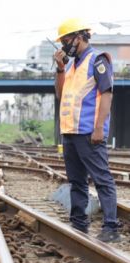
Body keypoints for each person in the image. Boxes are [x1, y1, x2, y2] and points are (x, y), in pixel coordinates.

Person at [54, 18, 120, 242]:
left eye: (66, 40)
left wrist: (99, 128)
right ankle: (79, 224)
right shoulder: (72, 65)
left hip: (89, 132)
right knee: (77, 181)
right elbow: (60, 94)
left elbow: (107, 94)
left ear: (79, 37)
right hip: (71, 132)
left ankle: (111, 227)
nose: (64, 45)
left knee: (102, 179)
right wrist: (60, 68)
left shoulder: (98, 60)